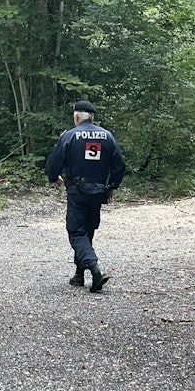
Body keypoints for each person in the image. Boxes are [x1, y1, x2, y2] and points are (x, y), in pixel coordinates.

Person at [45, 100, 126, 292]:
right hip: (98, 191)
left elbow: (54, 161)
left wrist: (53, 176)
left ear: (76, 116)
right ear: (92, 116)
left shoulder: (70, 136)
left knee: (76, 231)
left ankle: (96, 270)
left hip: (77, 190)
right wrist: (112, 186)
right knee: (88, 229)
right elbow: (119, 165)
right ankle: (79, 275)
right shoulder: (107, 136)